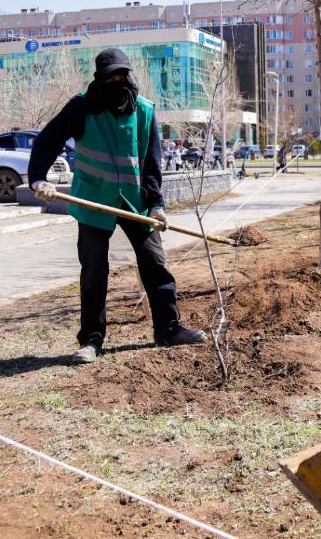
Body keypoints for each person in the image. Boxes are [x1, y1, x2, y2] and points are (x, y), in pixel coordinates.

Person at [29, 48, 206, 363]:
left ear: (128, 75)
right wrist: (37, 179)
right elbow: (47, 140)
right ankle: (91, 341)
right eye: (110, 76)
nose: (117, 80)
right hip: (94, 200)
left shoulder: (145, 111)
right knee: (94, 270)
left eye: (122, 75)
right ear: (99, 78)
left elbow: (152, 164)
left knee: (155, 262)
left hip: (135, 202)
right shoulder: (81, 107)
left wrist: (156, 204)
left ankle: (169, 328)